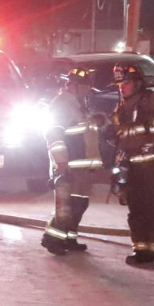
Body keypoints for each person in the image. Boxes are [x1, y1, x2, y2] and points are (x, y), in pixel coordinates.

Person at [110, 62, 154, 269]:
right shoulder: (120, 107)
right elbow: (118, 137)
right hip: (132, 167)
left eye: (126, 83)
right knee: (136, 209)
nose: (121, 87)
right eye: (119, 84)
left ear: (138, 83)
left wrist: (138, 133)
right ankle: (142, 250)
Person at [40, 66, 106, 255]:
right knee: (67, 207)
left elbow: (84, 132)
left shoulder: (78, 104)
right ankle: (52, 239)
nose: (87, 90)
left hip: (83, 166)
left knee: (79, 204)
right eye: (84, 86)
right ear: (73, 85)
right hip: (70, 166)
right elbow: (54, 135)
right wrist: (61, 163)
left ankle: (69, 239)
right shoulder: (61, 104)